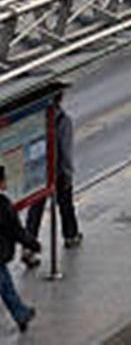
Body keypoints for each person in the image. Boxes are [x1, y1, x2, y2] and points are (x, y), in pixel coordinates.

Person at [22, 107, 79, 262]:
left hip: (39, 171)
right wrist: (68, 172)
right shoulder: (63, 120)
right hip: (58, 170)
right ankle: (70, 235)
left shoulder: (35, 119)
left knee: (35, 210)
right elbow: (65, 149)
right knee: (65, 203)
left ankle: (28, 247)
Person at [0, 166, 37, 332]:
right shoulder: (3, 205)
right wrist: (32, 243)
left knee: (6, 286)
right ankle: (21, 314)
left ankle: (21, 313)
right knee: (5, 286)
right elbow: (16, 231)